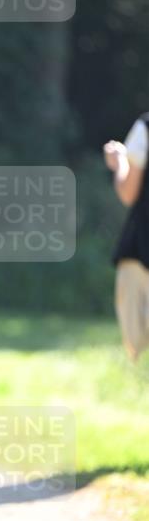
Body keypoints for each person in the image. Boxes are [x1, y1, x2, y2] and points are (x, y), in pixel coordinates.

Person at [104, 113, 149, 362]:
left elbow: (129, 193)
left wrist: (120, 161)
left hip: (142, 253)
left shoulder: (145, 129)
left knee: (137, 347)